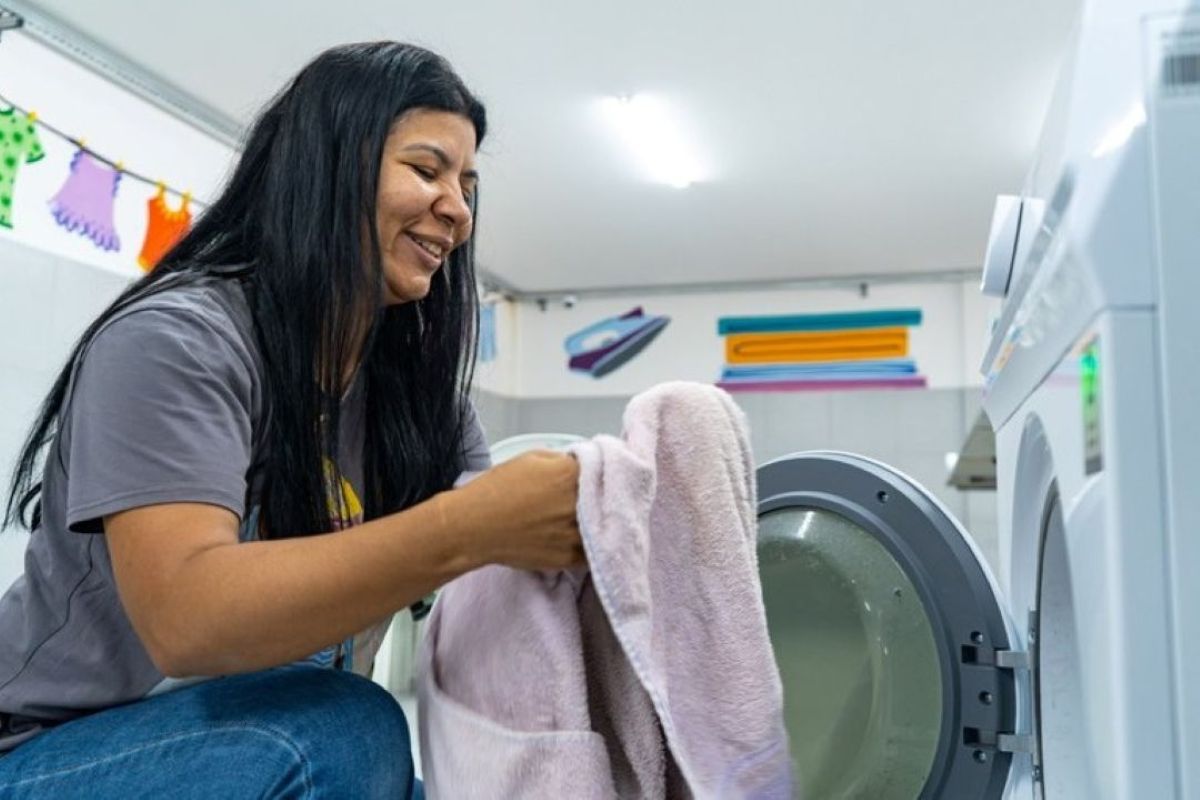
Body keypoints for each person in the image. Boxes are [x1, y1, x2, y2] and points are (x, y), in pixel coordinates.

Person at [0, 41, 583, 799]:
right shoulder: (179, 340)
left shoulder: (418, 401)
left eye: (468, 184)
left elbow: (517, 564)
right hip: (41, 754)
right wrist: (462, 528)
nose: (459, 210)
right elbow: (189, 621)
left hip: (243, 743)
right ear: (330, 165)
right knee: (346, 730)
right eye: (427, 169)